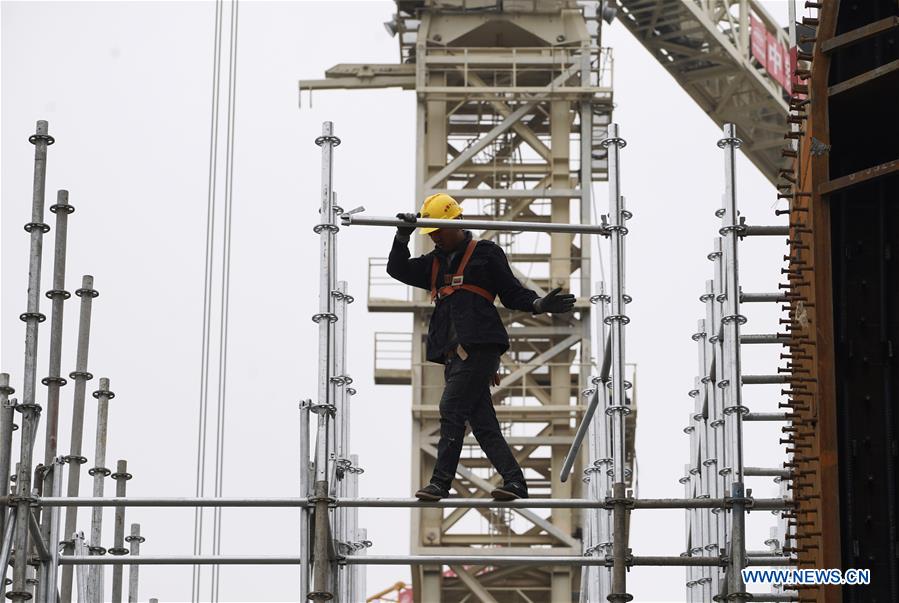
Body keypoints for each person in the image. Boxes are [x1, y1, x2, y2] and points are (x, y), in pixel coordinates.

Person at [386, 193, 576, 501]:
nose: (435, 237)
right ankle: (515, 481)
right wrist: (401, 236)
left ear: (458, 223)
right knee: (483, 423)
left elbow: (512, 293)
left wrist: (539, 304)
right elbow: (397, 269)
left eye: (440, 230)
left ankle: (441, 482)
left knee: (450, 408)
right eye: (431, 232)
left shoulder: (485, 254)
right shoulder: (433, 264)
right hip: (453, 354)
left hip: (480, 347)